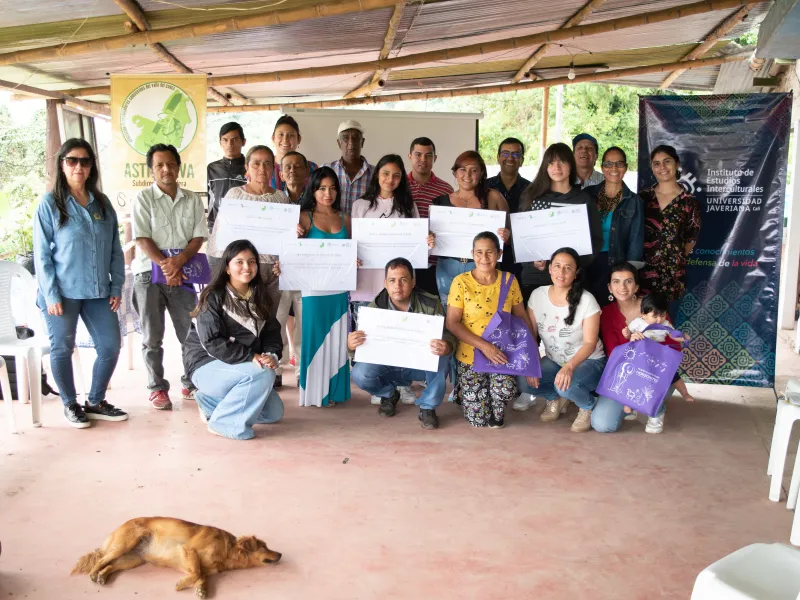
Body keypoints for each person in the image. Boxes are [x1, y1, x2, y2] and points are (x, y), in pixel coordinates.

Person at [33, 138, 128, 428]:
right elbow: (41, 255)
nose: (78, 166)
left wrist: (116, 286)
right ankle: (70, 403)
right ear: (62, 165)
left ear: (91, 167)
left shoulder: (102, 203)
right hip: (62, 293)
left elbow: (115, 249)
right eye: (72, 160)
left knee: (110, 346)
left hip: (98, 291)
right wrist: (51, 294)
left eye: (84, 161)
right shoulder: (50, 204)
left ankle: (95, 401)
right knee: (62, 347)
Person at [206, 145, 293, 386]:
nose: (262, 168)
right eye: (256, 163)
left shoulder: (281, 197)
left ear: (274, 168)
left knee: (269, 323)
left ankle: (270, 370)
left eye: (267, 163)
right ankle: (246, 372)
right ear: (247, 167)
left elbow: (287, 239)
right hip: (243, 273)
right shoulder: (235, 195)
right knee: (242, 324)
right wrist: (222, 276)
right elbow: (219, 240)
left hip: (272, 273)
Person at [351, 154, 433, 406]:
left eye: (396, 175)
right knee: (373, 337)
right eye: (385, 173)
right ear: (377, 175)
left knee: (400, 335)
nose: (390, 179)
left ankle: (402, 384)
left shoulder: (408, 206)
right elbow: (353, 241)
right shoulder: (361, 205)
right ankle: (382, 388)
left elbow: (416, 245)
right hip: (368, 282)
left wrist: (427, 242)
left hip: (399, 285)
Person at [183, 240, 284, 440]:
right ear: (227, 267)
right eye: (239, 262)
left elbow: (272, 333)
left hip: (239, 366)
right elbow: (211, 342)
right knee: (263, 374)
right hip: (206, 364)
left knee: (273, 413)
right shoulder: (212, 296)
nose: (247, 267)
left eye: (252, 261)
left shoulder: (260, 296)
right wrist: (251, 356)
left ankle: (209, 402)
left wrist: (271, 355)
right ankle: (223, 424)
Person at [132, 144, 207, 410]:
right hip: (148, 276)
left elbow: (198, 236)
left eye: (171, 164)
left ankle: (190, 381)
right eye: (159, 165)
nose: (166, 169)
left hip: (183, 273)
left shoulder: (192, 199)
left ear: (178, 167)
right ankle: (157, 388)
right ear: (151, 170)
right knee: (152, 337)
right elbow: (142, 238)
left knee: (190, 332)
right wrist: (167, 266)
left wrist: (179, 262)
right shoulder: (143, 199)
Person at [434, 151, 510, 402]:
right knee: (452, 325)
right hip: (448, 269)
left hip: (482, 268)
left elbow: (509, 235)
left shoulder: (493, 197)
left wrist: (506, 236)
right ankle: (458, 384)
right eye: (462, 169)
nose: (468, 175)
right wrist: (429, 240)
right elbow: (431, 238)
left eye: (474, 169)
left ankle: (481, 377)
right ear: (455, 173)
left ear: (481, 173)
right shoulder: (441, 202)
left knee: (481, 322)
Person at [275, 167, 352, 407]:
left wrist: (355, 260)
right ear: (314, 190)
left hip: (338, 290)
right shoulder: (304, 217)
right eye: (322, 188)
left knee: (336, 340)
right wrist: (292, 237)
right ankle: (315, 393)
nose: (328, 193)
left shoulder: (345, 218)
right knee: (314, 338)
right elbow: (288, 249)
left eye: (332, 188)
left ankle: (335, 391)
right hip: (313, 290)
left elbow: (353, 250)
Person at [349, 258, 455, 429]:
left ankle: (427, 407)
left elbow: (447, 334)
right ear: (385, 283)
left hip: (419, 365)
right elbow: (363, 350)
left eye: (403, 280)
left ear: (413, 282)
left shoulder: (430, 303)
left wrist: (447, 345)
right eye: (392, 280)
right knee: (360, 373)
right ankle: (388, 394)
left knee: (441, 358)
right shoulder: (374, 308)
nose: (397, 286)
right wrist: (352, 345)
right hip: (389, 365)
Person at [446, 232, 533, 427]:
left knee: (505, 391)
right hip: (470, 354)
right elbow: (452, 323)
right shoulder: (460, 282)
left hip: (502, 353)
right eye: (479, 252)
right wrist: (485, 347)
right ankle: (463, 390)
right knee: (478, 420)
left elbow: (521, 317)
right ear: (472, 254)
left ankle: (492, 397)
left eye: (490, 252)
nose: (484, 258)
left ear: (499, 254)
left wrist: (531, 351)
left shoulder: (509, 280)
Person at [516, 248, 606, 432]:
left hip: (589, 361)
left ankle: (587, 405)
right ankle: (554, 398)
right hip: (555, 360)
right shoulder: (537, 295)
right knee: (523, 381)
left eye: (568, 268)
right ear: (549, 268)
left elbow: (590, 344)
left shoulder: (587, 300)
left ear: (576, 272)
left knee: (566, 386)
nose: (561, 272)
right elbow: (531, 335)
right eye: (557, 266)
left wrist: (569, 367)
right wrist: (531, 364)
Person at [592, 264, 688, 434]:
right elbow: (613, 352)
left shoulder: (654, 308)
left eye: (628, 281)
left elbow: (672, 346)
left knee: (653, 389)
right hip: (626, 372)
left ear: (636, 286)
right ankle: (632, 405)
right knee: (602, 424)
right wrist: (632, 341)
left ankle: (654, 406)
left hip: (654, 372)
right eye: (616, 281)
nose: (622, 287)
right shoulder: (606, 313)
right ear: (609, 287)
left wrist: (650, 348)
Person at [517, 143, 603, 306]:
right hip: (536, 278)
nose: (556, 167)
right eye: (551, 163)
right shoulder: (531, 197)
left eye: (562, 162)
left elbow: (595, 240)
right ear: (545, 167)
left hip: (572, 280)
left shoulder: (583, 200)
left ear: (571, 165)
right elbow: (521, 240)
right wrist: (532, 261)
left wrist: (574, 265)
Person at [640, 144, 702, 317]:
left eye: (667, 161)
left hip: (673, 275)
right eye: (656, 163)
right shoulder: (643, 198)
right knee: (644, 323)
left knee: (668, 322)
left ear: (677, 164)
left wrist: (675, 257)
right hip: (645, 274)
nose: (662, 167)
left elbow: (691, 238)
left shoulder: (689, 201)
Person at [583, 147, 644, 306]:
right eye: (609, 164)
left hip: (616, 263)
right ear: (602, 167)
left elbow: (635, 240)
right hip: (587, 261)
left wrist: (628, 274)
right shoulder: (588, 194)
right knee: (586, 307)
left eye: (619, 164)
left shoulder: (634, 201)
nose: (614, 168)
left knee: (609, 307)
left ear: (626, 167)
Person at [275, 149, 308, 382]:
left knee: (304, 324)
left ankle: (301, 371)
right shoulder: (274, 199)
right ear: (281, 173)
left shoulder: (315, 199)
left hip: (306, 271)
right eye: (288, 167)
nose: (293, 170)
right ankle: (276, 368)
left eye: (298, 166)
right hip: (279, 270)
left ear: (307, 172)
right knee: (277, 321)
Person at [407, 137, 454, 297]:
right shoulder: (399, 186)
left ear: (435, 158)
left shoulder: (445, 189)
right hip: (406, 260)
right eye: (418, 155)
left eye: (428, 155)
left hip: (434, 264)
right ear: (410, 156)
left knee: (432, 307)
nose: (423, 159)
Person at [487, 137, 530, 276]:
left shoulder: (531, 189)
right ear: (498, 158)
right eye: (505, 153)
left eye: (516, 154)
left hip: (520, 256)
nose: (510, 158)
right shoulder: (484, 187)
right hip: (488, 256)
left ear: (522, 160)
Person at [323, 120, 374, 214]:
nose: (351, 143)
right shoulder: (326, 170)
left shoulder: (375, 173)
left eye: (355, 138)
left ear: (362, 142)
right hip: (333, 223)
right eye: (346, 138)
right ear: (339, 143)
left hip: (363, 223)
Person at [207, 122, 246, 235]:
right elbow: (208, 200)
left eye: (235, 139)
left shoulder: (250, 168)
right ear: (220, 143)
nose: (230, 144)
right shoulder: (211, 168)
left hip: (243, 228)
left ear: (243, 142)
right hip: (216, 228)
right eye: (225, 140)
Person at [270, 115, 317, 190]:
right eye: (281, 134)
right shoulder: (265, 167)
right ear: (273, 138)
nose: (285, 139)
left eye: (291, 135)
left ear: (299, 139)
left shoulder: (311, 168)